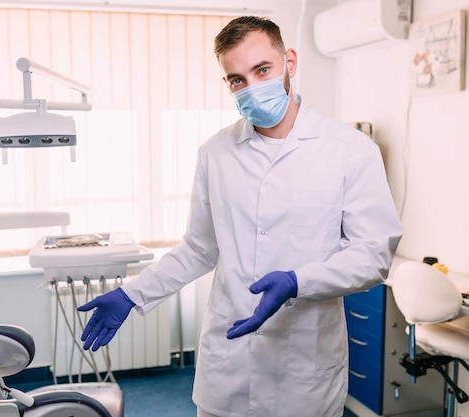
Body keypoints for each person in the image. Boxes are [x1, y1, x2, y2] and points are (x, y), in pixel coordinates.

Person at [78, 16, 403, 417]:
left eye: (262, 70)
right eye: (236, 79)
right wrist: (132, 294)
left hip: (305, 368)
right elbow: (199, 249)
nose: (251, 87)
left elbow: (372, 255)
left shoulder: (351, 151)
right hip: (228, 369)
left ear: (290, 62)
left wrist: (299, 282)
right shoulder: (215, 153)